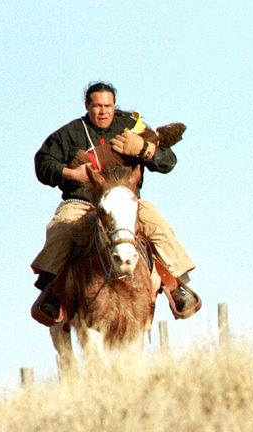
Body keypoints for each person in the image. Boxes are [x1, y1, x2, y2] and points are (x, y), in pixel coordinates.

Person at [31, 81, 200, 325]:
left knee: (156, 221)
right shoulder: (69, 134)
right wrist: (72, 174)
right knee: (63, 228)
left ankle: (177, 285)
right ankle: (52, 293)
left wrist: (145, 149)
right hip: (83, 202)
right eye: (97, 106)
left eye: (108, 106)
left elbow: (169, 162)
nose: (103, 111)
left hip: (126, 202)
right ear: (87, 106)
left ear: (114, 106)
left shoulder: (131, 127)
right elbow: (43, 163)